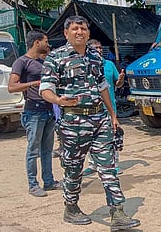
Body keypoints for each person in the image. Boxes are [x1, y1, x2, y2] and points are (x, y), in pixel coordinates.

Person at [39, 15, 140, 230]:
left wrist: (113, 115)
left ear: (88, 33)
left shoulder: (95, 57)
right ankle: (71, 207)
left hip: (99, 119)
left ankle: (117, 213)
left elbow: (103, 86)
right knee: (73, 169)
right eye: (75, 29)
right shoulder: (55, 58)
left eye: (83, 28)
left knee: (108, 166)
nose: (79, 32)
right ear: (66, 33)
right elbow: (45, 89)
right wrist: (58, 100)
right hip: (73, 122)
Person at [8, 29, 62, 197]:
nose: (48, 44)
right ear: (37, 42)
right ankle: (33, 185)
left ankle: (49, 181)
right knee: (33, 150)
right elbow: (11, 87)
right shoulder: (21, 62)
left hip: (48, 110)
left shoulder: (43, 62)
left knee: (47, 150)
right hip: (33, 112)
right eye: (45, 41)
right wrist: (32, 84)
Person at [82, 39, 125, 176]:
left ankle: (114, 164)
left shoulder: (109, 64)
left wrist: (121, 79)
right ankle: (93, 164)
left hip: (109, 109)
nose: (100, 50)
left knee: (112, 137)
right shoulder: (84, 64)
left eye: (100, 48)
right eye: (96, 48)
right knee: (90, 137)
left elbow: (117, 84)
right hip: (90, 109)